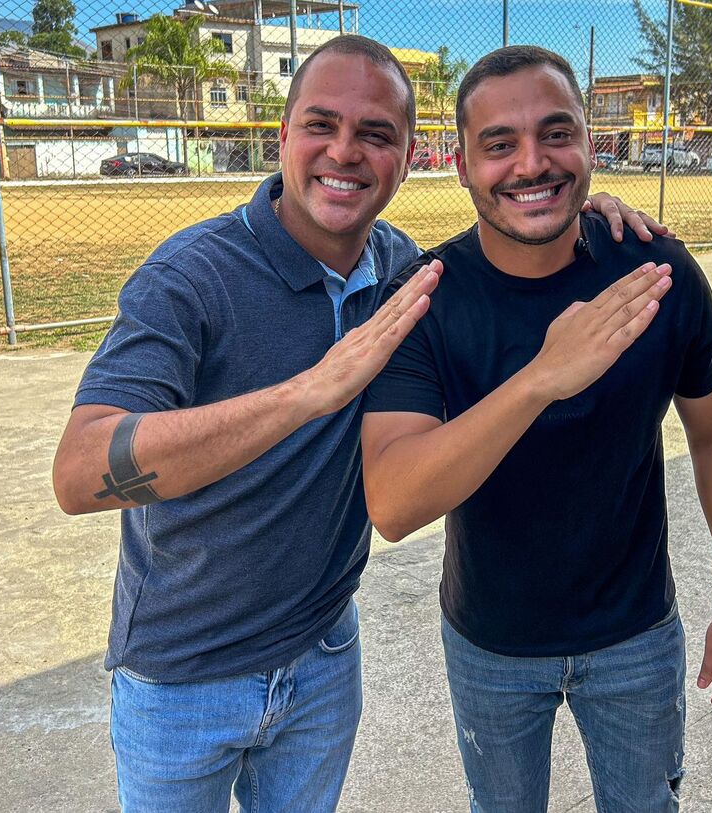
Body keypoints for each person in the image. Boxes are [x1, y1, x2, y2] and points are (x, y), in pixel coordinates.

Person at [52, 35, 667, 813]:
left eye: (376, 134)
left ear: (408, 157)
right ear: (282, 138)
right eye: (321, 125)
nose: (345, 151)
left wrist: (597, 214)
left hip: (321, 656)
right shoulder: (192, 275)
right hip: (181, 675)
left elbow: (522, 240)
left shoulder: (409, 275)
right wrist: (307, 392)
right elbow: (78, 473)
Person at [361, 45, 712, 813]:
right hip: (490, 642)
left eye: (556, 134)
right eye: (500, 144)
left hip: (636, 633)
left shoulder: (656, 274)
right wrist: (544, 375)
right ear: (462, 166)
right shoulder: (426, 300)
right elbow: (394, 501)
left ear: (588, 144)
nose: (531, 164)